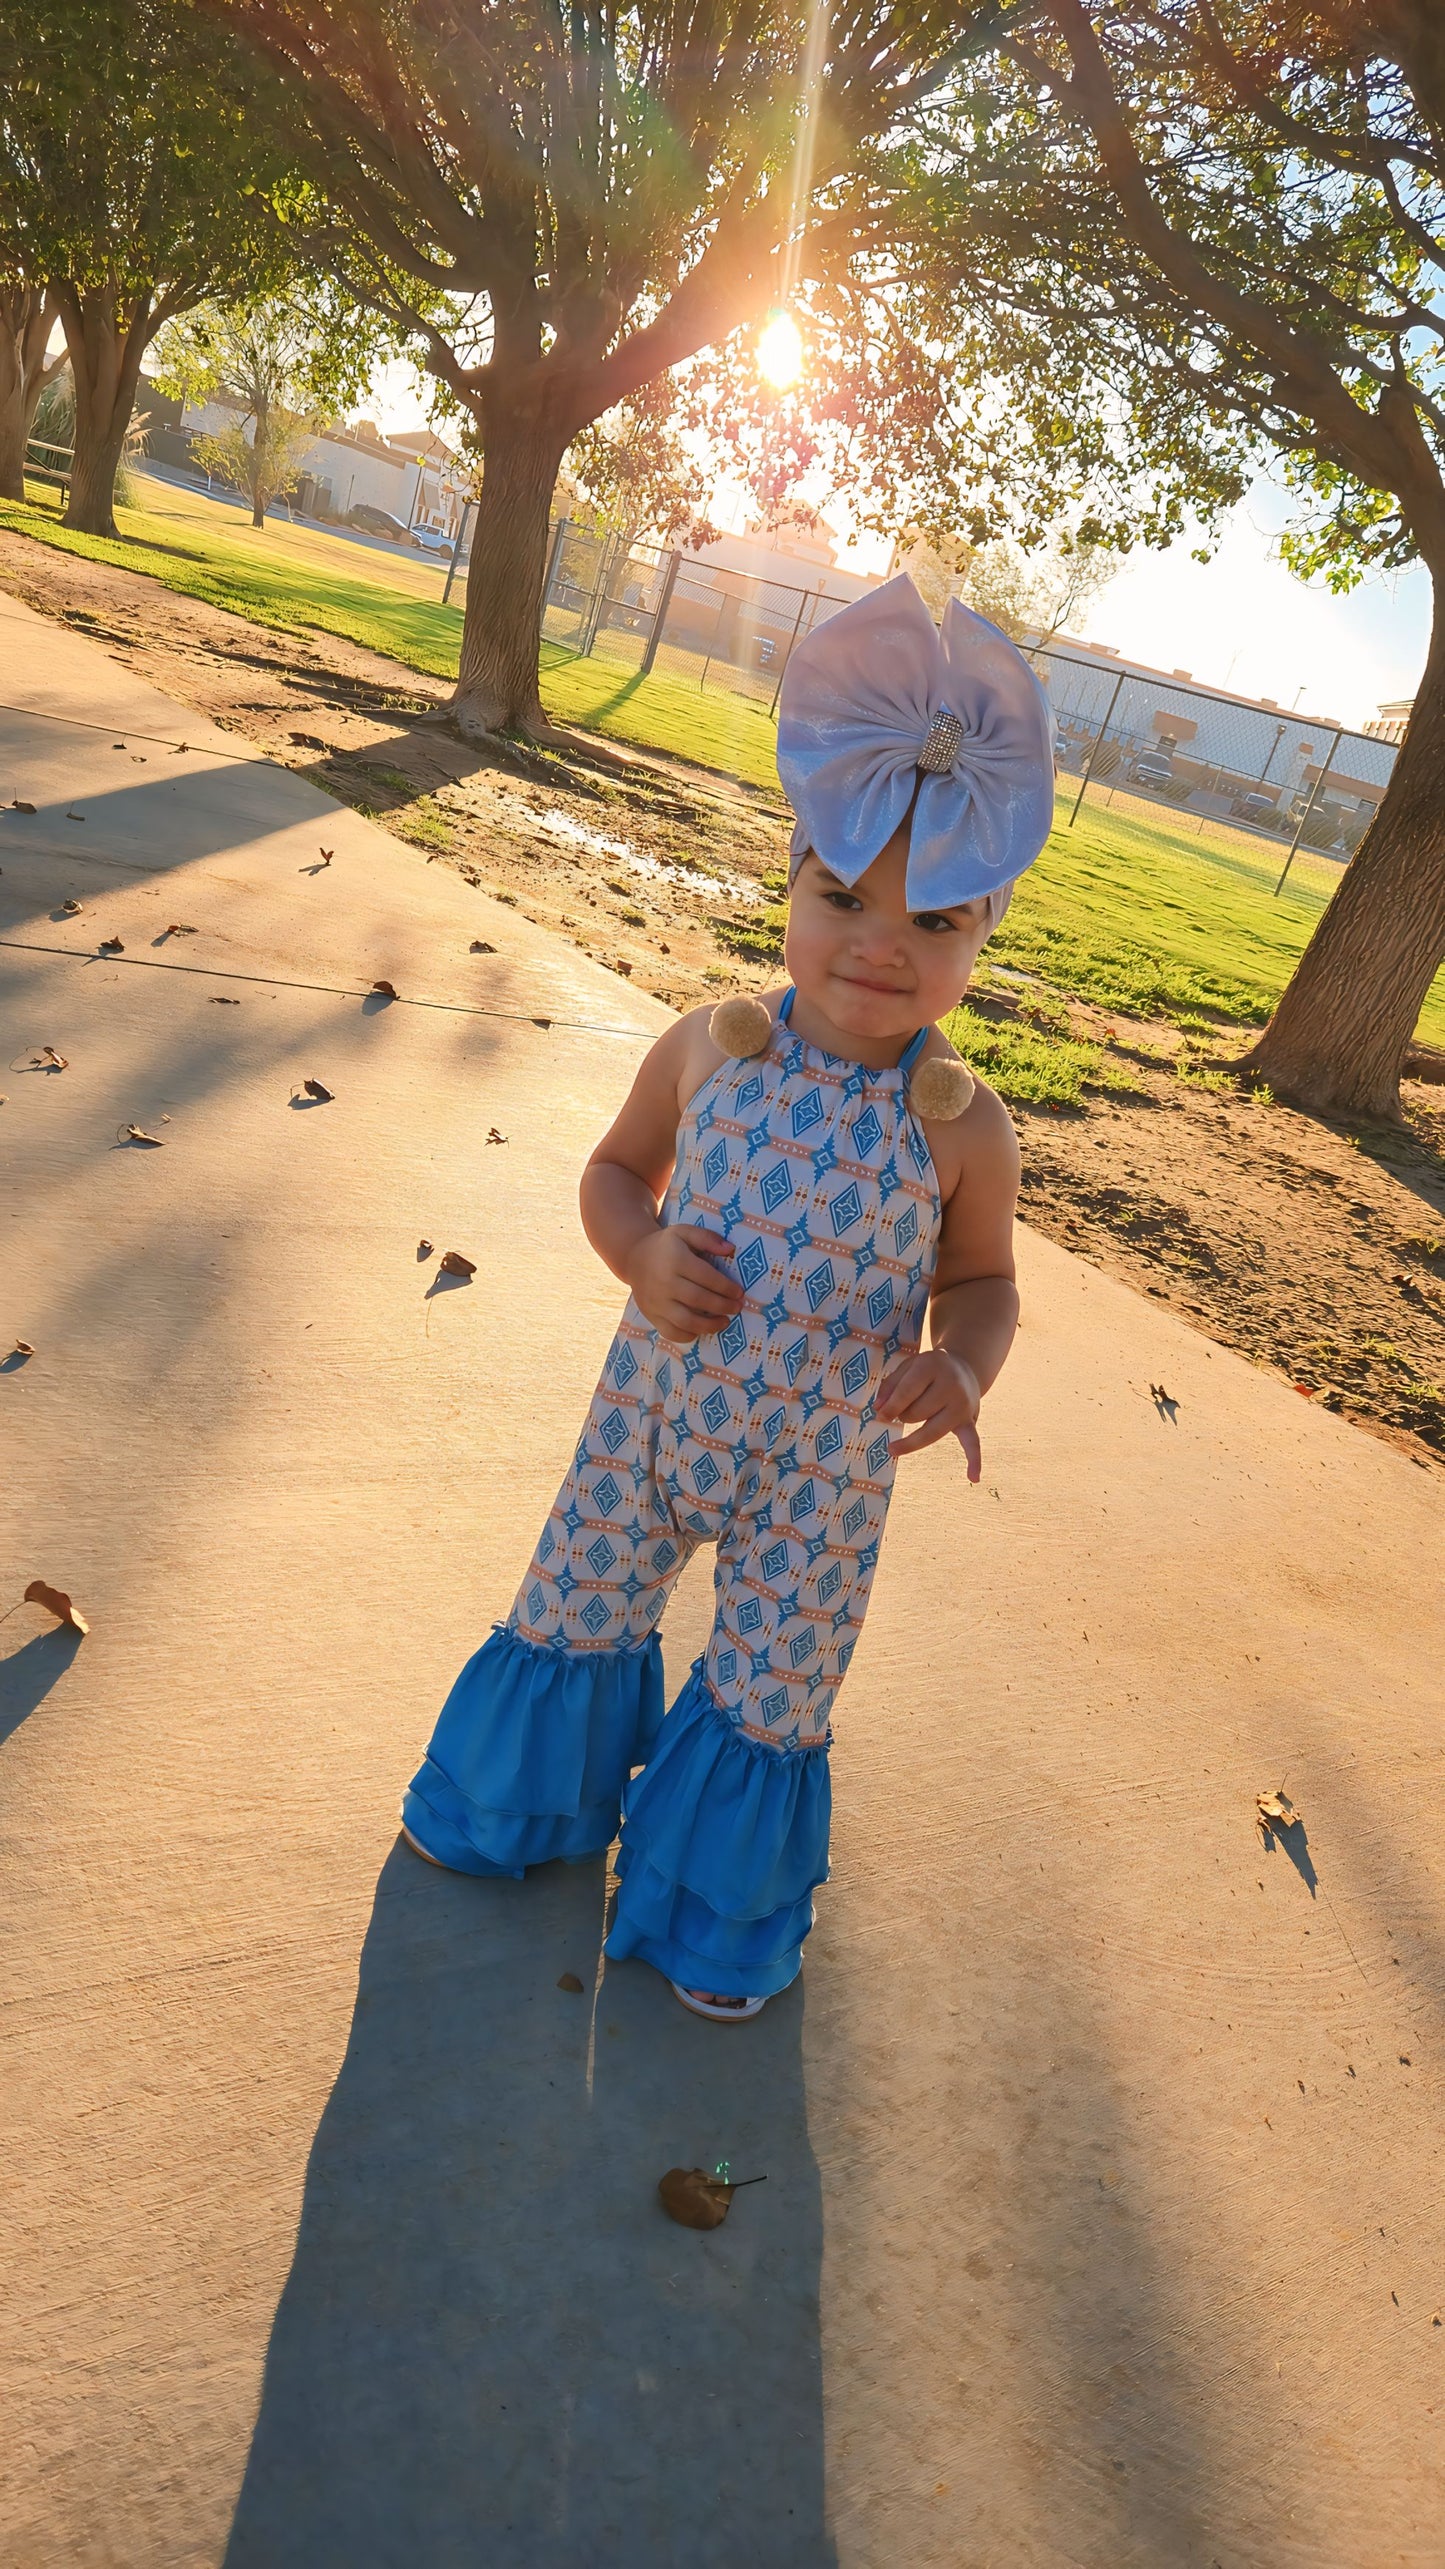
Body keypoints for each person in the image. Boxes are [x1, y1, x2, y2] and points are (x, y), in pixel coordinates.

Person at [400, 575, 1055, 2020]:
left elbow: (985, 1282)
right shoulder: (711, 1045)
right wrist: (637, 1255)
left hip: (819, 1478)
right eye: (841, 896)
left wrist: (963, 1367)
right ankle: (521, 1814)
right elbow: (613, 1174)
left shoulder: (960, 1125)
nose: (879, 945)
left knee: (773, 1692)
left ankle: (710, 1913)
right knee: (570, 1608)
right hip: (647, 1416)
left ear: (981, 935)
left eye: (933, 920)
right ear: (790, 879)